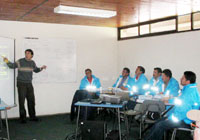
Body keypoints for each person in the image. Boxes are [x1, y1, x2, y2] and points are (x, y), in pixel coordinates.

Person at [144, 71, 200, 140]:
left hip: (185, 121)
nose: (180, 78)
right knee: (159, 121)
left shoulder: (188, 94)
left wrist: (170, 118)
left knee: (160, 125)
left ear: (188, 81)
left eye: (183, 78)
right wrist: (169, 100)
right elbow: (179, 100)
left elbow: (182, 112)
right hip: (183, 117)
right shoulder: (190, 89)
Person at [3, 49, 46, 124]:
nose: (26, 54)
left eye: (28, 53)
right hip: (21, 84)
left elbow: (36, 70)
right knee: (21, 101)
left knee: (31, 101)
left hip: (29, 84)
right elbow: (11, 66)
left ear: (32, 55)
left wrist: (41, 68)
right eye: (26, 53)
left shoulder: (32, 62)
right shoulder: (20, 61)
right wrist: (7, 61)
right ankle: (22, 118)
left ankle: (32, 117)